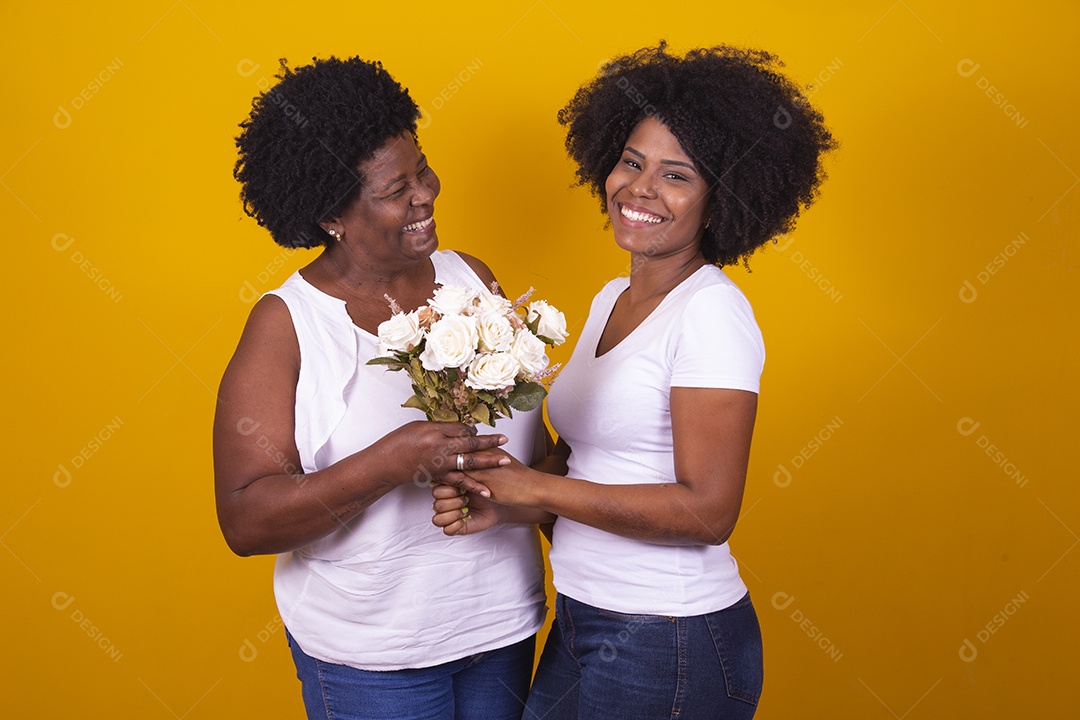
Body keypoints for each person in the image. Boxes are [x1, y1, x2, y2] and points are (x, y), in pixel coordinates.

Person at [432, 43, 836, 719]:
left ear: (720, 198)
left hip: (669, 635)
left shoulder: (710, 312)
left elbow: (708, 511)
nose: (641, 188)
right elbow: (588, 458)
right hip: (589, 617)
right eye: (631, 161)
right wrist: (511, 506)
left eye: (677, 175)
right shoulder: (606, 302)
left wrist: (534, 485)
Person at [215, 56, 547, 720]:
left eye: (422, 169)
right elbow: (246, 519)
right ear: (333, 214)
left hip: (500, 628)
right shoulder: (288, 326)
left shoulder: (472, 280)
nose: (425, 193)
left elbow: (536, 450)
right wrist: (393, 463)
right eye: (398, 189)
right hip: (372, 659)